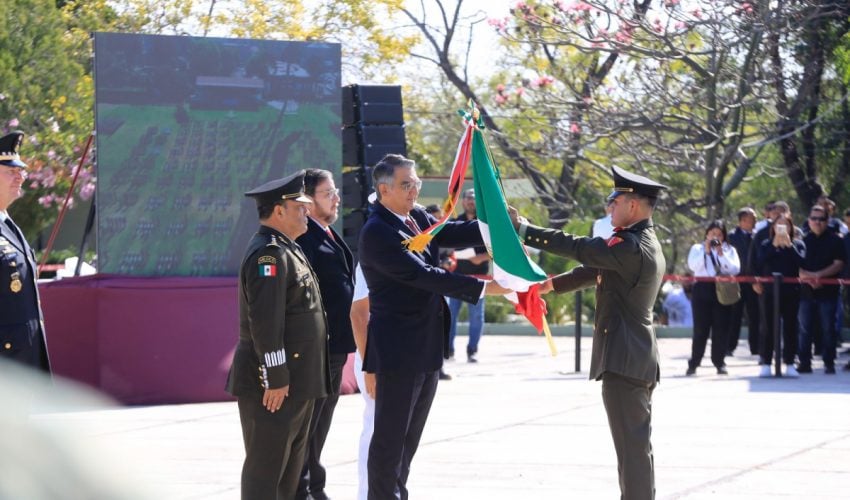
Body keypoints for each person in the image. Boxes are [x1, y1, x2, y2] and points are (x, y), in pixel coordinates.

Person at [357, 154, 510, 500]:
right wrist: (486, 287)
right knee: (390, 441)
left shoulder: (417, 217)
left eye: (416, 183)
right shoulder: (377, 231)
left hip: (425, 348)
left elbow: (452, 231)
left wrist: (500, 223)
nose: (414, 191)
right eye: (406, 185)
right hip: (398, 353)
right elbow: (423, 275)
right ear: (384, 189)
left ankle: (397, 493)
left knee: (409, 441)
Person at [510, 165, 667, 500]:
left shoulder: (630, 246)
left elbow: (580, 247)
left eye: (615, 201)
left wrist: (524, 230)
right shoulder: (641, 241)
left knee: (632, 451)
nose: (610, 208)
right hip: (635, 357)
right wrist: (550, 285)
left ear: (633, 206)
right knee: (635, 447)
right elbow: (595, 268)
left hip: (624, 359)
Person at [225, 171, 331, 500]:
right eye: (299, 206)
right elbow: (266, 322)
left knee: (287, 477)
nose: (307, 211)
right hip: (275, 384)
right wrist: (275, 375)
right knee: (266, 473)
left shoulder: (288, 249)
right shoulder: (268, 255)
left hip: (297, 380)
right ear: (279, 211)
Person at [294, 169, 355, 500]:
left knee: (320, 426)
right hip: (317, 349)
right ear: (308, 200)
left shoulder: (328, 233)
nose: (336, 198)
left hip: (336, 347)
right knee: (308, 427)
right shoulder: (305, 239)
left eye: (335, 192)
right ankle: (303, 489)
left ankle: (313, 486)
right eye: (328, 193)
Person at [0, 131, 50, 373]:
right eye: (11, 171)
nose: (20, 177)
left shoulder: (9, 225)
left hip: (26, 361)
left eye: (20, 171)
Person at [752, 213, 805, 378]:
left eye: (786, 225)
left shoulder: (798, 244)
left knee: (790, 326)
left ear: (791, 228)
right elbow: (759, 263)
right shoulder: (766, 244)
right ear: (773, 227)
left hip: (791, 291)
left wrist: (789, 246)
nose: (782, 228)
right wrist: (774, 246)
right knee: (768, 326)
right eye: (778, 225)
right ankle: (767, 362)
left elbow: (803, 263)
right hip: (770, 291)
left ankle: (790, 362)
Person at [686, 220, 741, 376]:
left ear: (724, 236)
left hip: (722, 289)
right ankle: (694, 362)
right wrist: (706, 250)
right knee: (700, 329)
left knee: (721, 328)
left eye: (719, 234)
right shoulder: (697, 248)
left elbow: (735, 269)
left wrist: (720, 254)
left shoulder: (729, 250)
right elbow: (693, 266)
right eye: (712, 233)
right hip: (702, 288)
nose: (715, 237)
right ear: (707, 234)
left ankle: (719, 362)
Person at [797, 205, 844, 375]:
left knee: (828, 329)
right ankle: (804, 363)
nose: (817, 222)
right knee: (804, 329)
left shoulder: (836, 240)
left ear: (827, 220)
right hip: (805, 292)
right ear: (809, 220)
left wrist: (819, 276)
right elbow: (794, 264)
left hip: (828, 292)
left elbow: (839, 264)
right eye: (814, 218)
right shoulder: (802, 241)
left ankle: (829, 363)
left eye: (821, 219)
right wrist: (810, 278)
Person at [447, 189, 491, 363]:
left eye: (474, 198)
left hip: (479, 277)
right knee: (450, 315)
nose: (471, 201)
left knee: (477, 317)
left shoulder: (486, 224)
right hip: (455, 277)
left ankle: (472, 351)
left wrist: (482, 257)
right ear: (463, 201)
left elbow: (498, 249)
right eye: (468, 198)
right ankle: (448, 350)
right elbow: (446, 247)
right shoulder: (455, 223)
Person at [350, 262, 373, 500]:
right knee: (377, 430)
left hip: (402, 357)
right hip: (376, 356)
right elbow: (358, 315)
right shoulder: (375, 249)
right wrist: (370, 366)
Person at [727, 207, 760, 355]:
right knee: (734, 315)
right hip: (736, 282)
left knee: (755, 315)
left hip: (754, 282)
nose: (754, 221)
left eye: (755, 219)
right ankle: (729, 347)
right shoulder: (731, 236)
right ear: (742, 221)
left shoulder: (758, 236)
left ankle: (756, 348)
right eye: (751, 219)